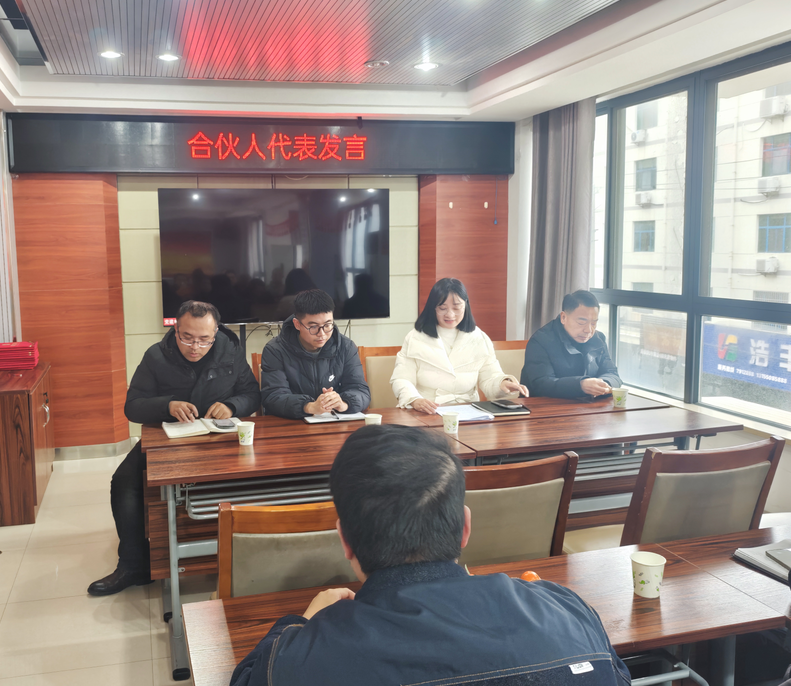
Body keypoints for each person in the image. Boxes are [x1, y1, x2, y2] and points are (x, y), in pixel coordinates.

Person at [230, 425, 632, 686]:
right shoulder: (570, 612)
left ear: (345, 540)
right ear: (465, 528)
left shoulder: (299, 662)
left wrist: (299, 624)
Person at [88, 300, 261, 596]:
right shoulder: (156, 356)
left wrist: (232, 406)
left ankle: (244, 553)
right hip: (168, 439)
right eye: (187, 338)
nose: (195, 347)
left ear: (216, 333)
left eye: (204, 339)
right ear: (176, 330)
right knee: (125, 481)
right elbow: (133, 406)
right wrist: (167, 405)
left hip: (218, 441)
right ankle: (133, 565)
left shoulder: (230, 351)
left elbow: (252, 395)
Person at [391, 278, 527, 412]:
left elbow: (490, 378)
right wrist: (415, 400)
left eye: (456, 307)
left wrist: (502, 384)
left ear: (465, 305)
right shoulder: (415, 338)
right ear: (433, 308)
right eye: (442, 308)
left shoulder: (479, 338)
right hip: (429, 410)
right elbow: (402, 378)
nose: (450, 314)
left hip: (470, 410)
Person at [261, 289, 370, 419]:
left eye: (328, 325)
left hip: (334, 422)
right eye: (313, 327)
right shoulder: (275, 350)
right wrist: (309, 406)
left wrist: (343, 404)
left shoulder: (345, 347)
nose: (322, 334)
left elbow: (360, 390)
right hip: (291, 423)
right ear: (297, 324)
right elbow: (273, 397)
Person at [521, 290, 622, 399]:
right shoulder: (540, 340)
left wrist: (603, 384)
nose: (588, 330)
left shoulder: (598, 338)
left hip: (589, 405)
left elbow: (613, 374)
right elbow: (541, 384)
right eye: (582, 322)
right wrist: (580, 385)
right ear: (563, 317)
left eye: (593, 323)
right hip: (546, 406)